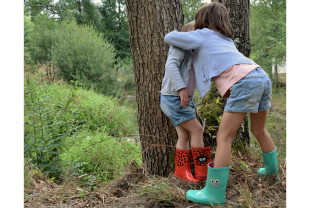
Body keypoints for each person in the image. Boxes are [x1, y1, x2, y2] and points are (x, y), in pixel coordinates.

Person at [164, 2, 279, 206]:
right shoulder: (226, 38)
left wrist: (188, 32)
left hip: (245, 82)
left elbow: (169, 38)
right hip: (260, 75)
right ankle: (272, 172)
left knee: (224, 137)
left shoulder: (203, 34)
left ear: (204, 21)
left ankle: (214, 192)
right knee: (259, 129)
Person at [160, 21, 211, 184]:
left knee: (184, 135)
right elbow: (171, 65)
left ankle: (181, 172)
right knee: (197, 130)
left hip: (181, 98)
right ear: (191, 31)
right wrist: (181, 89)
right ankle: (202, 173)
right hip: (174, 97)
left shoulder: (195, 50)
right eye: (201, 31)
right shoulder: (180, 44)